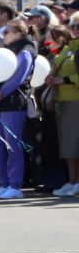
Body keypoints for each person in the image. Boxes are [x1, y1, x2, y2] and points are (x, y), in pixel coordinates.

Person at [0, 20, 36, 199]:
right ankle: (3, 183)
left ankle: (15, 185)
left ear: (19, 34)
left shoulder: (26, 51)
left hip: (14, 103)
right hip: (0, 104)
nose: (3, 35)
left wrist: (1, 93)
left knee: (12, 145)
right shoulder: (6, 51)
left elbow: (18, 77)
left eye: (7, 32)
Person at [49, 28, 79, 197]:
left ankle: (77, 182)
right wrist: (51, 76)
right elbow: (58, 66)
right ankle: (73, 180)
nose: (75, 30)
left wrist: (64, 80)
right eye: (73, 26)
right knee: (67, 145)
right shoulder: (69, 48)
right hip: (62, 100)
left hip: (75, 100)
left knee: (74, 143)